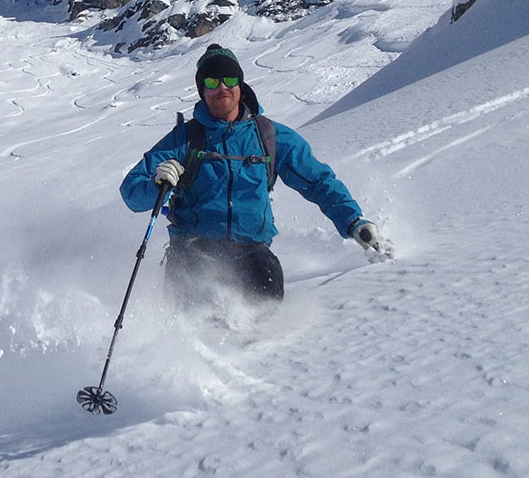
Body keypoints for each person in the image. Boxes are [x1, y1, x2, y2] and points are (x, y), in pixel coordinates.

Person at [120, 43, 382, 303]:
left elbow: (317, 181)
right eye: (211, 82)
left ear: (240, 86)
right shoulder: (184, 140)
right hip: (192, 247)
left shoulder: (269, 136)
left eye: (229, 79)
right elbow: (132, 192)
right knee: (195, 310)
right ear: (202, 91)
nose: (221, 87)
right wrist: (157, 184)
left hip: (251, 251)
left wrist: (352, 221)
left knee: (264, 305)